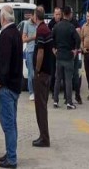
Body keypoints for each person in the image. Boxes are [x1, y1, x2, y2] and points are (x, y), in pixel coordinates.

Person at [0, 6, 23, 169]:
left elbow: (5, 61)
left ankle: (11, 158)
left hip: (7, 86)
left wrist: (0, 81)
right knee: (12, 122)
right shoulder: (16, 33)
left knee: (8, 124)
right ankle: (10, 152)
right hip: (15, 85)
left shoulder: (6, 35)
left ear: (3, 18)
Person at [31, 8, 53, 148]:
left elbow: (40, 52)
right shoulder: (46, 29)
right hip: (47, 72)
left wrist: (37, 70)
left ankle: (44, 138)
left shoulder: (41, 30)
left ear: (35, 16)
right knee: (42, 105)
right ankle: (43, 136)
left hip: (42, 73)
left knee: (40, 107)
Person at [52, 6, 80, 110]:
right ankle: (69, 102)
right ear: (70, 14)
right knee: (68, 80)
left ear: (63, 14)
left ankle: (55, 101)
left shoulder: (57, 26)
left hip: (59, 56)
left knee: (57, 79)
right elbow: (78, 39)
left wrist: (54, 49)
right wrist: (75, 50)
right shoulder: (71, 27)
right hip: (68, 56)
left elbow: (51, 38)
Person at [64, 6, 83, 104]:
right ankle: (66, 97)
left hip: (73, 53)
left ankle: (77, 95)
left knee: (75, 75)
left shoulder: (75, 23)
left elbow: (79, 37)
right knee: (66, 76)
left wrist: (76, 49)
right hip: (67, 53)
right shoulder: (63, 23)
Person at [21, 9, 37, 101]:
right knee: (31, 73)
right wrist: (33, 37)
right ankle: (31, 92)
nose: (36, 18)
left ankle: (37, 91)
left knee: (37, 72)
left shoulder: (38, 24)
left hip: (38, 50)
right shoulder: (27, 24)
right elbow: (23, 39)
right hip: (30, 51)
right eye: (35, 16)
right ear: (32, 16)